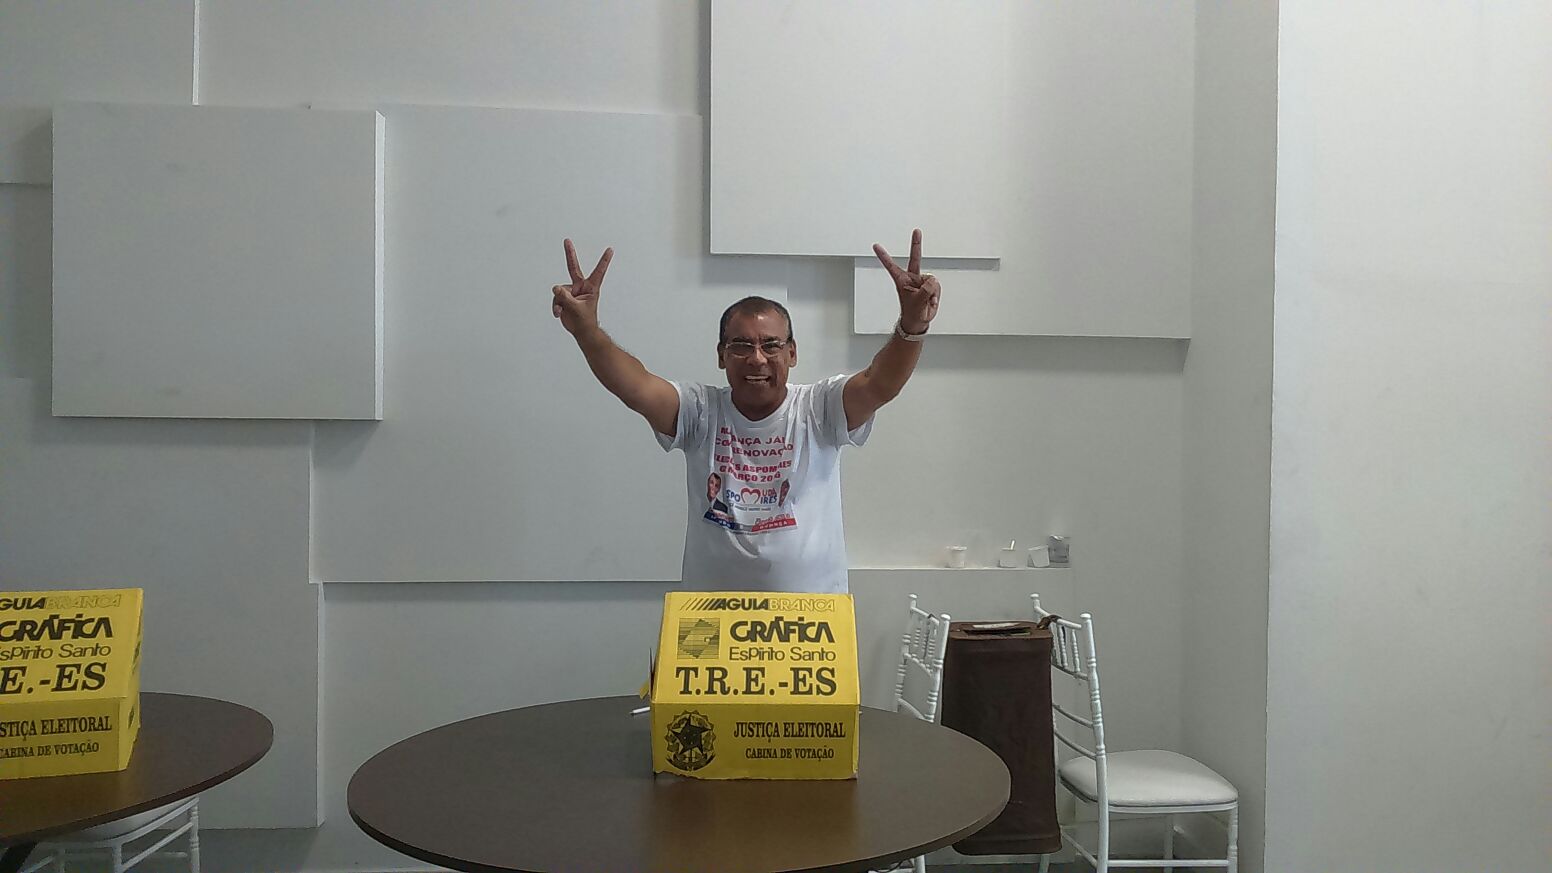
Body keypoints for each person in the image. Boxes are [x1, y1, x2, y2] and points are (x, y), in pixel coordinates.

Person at [551, 230, 941, 593]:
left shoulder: (820, 408)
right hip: (712, 619)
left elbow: (879, 384)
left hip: (813, 621)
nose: (757, 359)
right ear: (722, 355)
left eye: (771, 345)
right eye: (740, 346)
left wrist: (912, 325)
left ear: (792, 353)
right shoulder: (699, 412)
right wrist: (587, 330)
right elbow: (635, 386)